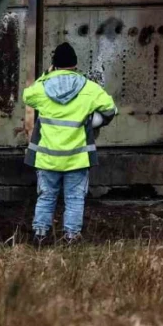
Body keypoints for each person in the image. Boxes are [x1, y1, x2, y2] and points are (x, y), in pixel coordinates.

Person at [23, 42, 117, 244]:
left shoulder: (41, 88)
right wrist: (94, 122)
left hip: (48, 158)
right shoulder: (90, 89)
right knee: (74, 198)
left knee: (46, 197)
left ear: (54, 65)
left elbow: (26, 96)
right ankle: (71, 237)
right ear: (75, 64)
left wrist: (46, 75)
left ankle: (40, 235)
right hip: (77, 158)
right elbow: (111, 109)